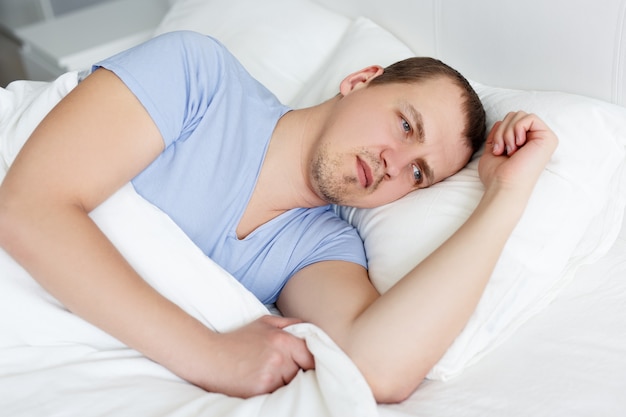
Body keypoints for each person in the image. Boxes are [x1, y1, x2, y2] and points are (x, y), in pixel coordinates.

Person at [0, 31, 557, 403]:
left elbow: (375, 370)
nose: (394, 164)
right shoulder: (201, 76)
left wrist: (504, 196)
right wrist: (208, 354)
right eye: (406, 126)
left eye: (418, 176)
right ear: (360, 81)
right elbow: (28, 207)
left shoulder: (321, 249)